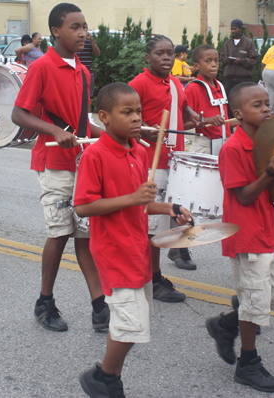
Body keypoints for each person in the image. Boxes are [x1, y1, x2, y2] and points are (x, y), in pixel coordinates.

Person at [75, 82, 193, 398]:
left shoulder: (140, 151)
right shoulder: (95, 155)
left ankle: (107, 375)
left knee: (137, 321)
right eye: (126, 112)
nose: (136, 118)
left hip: (137, 246)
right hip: (114, 250)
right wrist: (131, 198)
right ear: (104, 117)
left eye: (138, 111)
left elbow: (141, 202)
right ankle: (104, 378)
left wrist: (170, 207)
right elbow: (83, 206)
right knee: (130, 322)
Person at [11, 3, 108, 332]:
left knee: (85, 234)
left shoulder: (82, 70)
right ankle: (45, 301)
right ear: (56, 31)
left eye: (84, 26)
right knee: (60, 232)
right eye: (75, 27)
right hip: (53, 162)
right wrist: (53, 131)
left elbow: (82, 124)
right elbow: (19, 114)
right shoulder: (42, 66)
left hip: (81, 162)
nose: (83, 33)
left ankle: (99, 305)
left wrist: (116, 136)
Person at [206, 82, 274, 393]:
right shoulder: (233, 148)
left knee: (273, 296)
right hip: (247, 234)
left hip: (268, 230)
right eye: (258, 105)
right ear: (238, 114)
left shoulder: (267, 145)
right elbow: (243, 196)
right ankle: (248, 363)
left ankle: (225, 325)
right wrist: (270, 173)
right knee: (255, 304)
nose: (266, 109)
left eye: (267, 103)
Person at [129, 35, 201, 283]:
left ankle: (177, 250)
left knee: (177, 212)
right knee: (154, 225)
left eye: (170, 52)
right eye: (160, 53)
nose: (167, 57)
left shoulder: (175, 83)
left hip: (176, 161)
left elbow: (182, 109)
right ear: (148, 57)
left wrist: (193, 114)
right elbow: (125, 119)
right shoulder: (138, 84)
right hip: (152, 162)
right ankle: (154, 277)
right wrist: (143, 129)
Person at [184, 44, 233, 154]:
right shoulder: (193, 88)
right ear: (196, 66)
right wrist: (206, 120)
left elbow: (224, 123)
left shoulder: (220, 85)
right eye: (208, 61)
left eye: (216, 61)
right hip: (205, 145)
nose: (214, 65)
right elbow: (182, 124)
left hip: (225, 142)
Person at [221, 19, 258, 118]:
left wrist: (241, 61)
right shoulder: (227, 43)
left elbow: (254, 59)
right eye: (231, 29)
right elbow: (222, 59)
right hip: (229, 79)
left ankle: (243, 124)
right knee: (228, 103)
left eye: (235, 29)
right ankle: (230, 126)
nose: (233, 31)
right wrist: (227, 60)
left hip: (243, 79)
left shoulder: (248, 43)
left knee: (243, 102)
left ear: (241, 29)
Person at [75, 22, 100, 125]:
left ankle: (89, 118)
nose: (84, 30)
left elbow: (97, 53)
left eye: (85, 28)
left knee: (88, 95)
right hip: (75, 70)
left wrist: (91, 40)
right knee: (76, 95)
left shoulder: (90, 39)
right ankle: (78, 116)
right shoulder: (75, 39)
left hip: (88, 71)